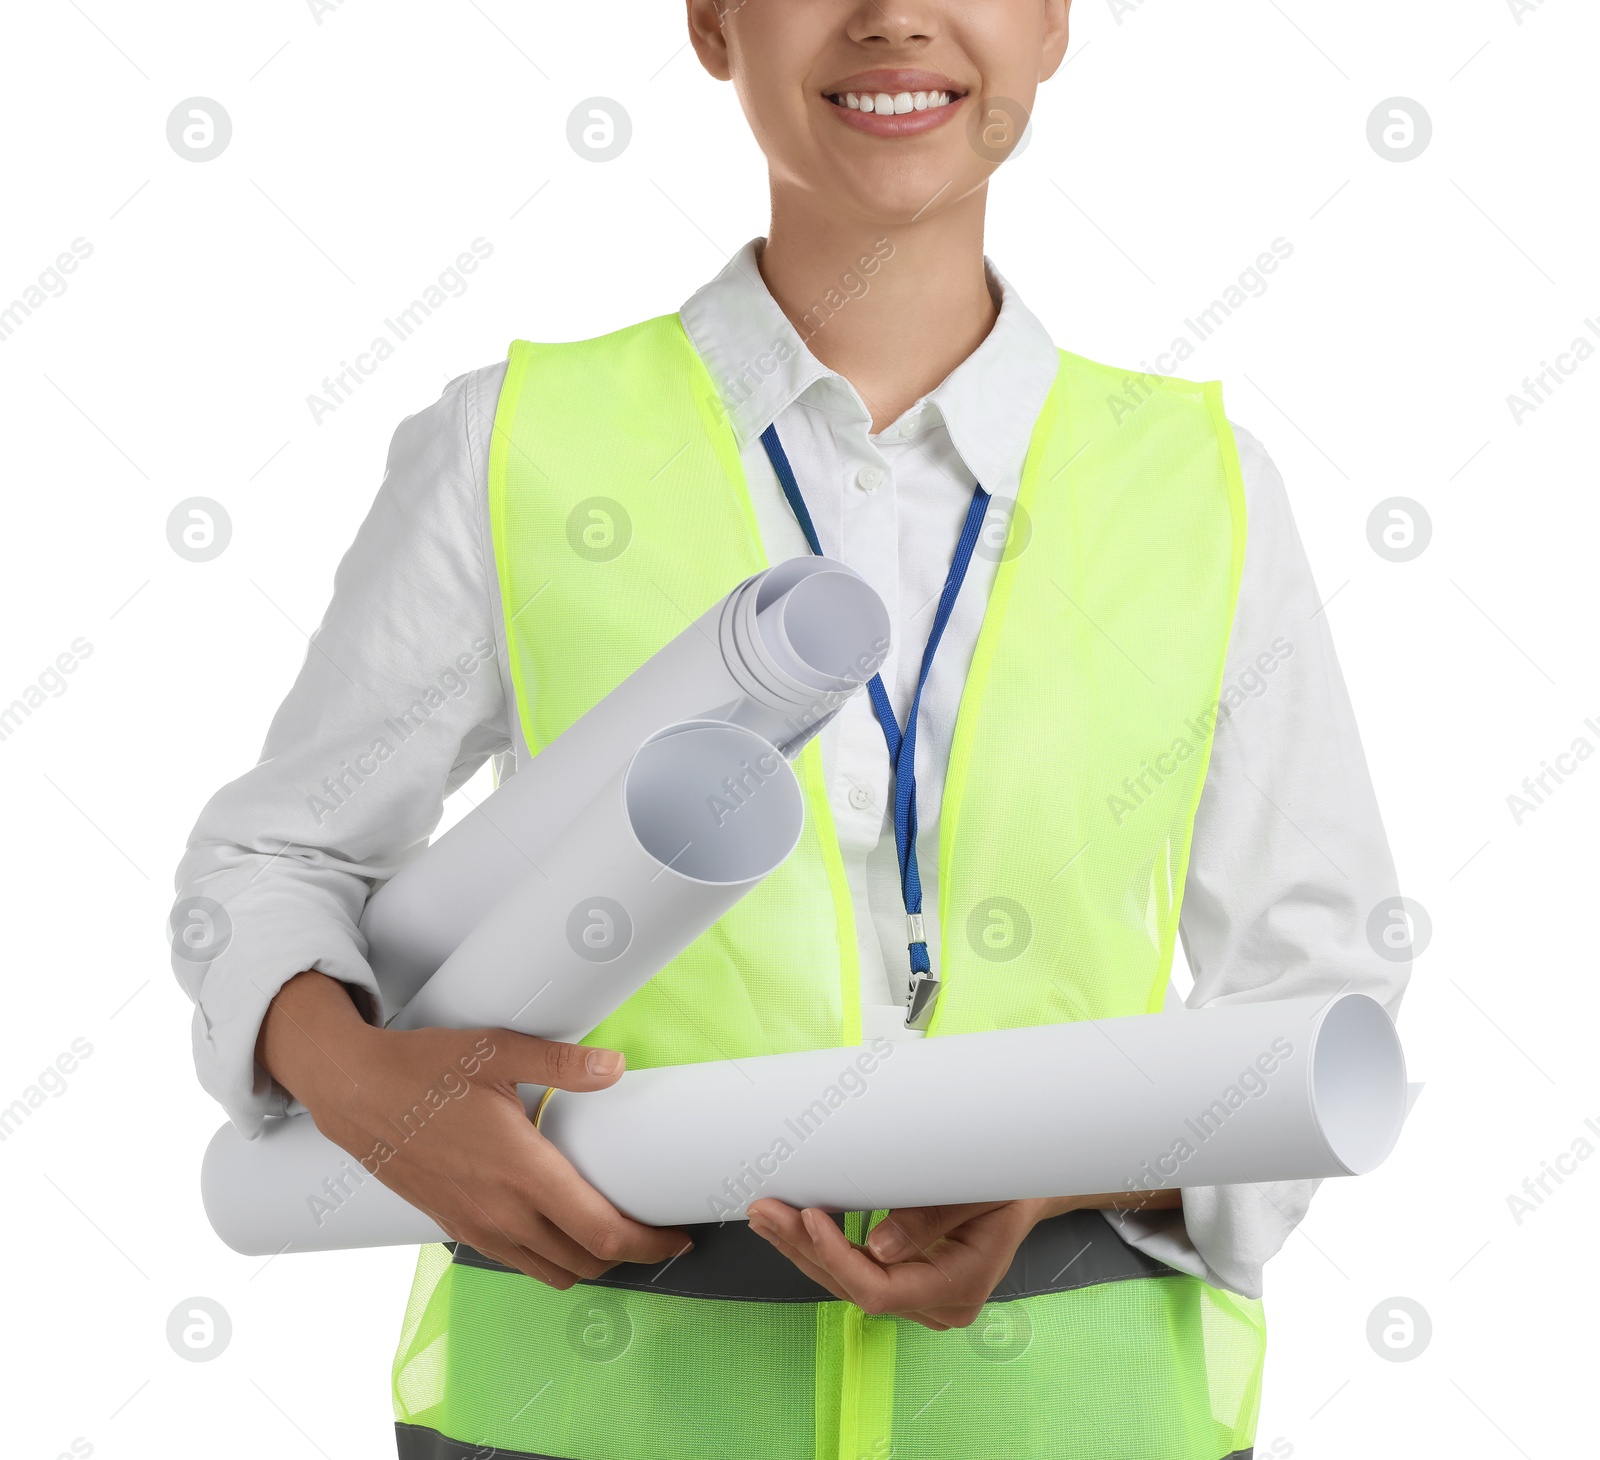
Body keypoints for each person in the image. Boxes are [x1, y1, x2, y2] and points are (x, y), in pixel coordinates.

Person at [173, 2, 1409, 1457]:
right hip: (591, 1415)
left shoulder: (1200, 487)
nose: (894, 14)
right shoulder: (515, 447)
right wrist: (355, 1075)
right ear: (713, 22)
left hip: (1072, 1419)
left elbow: (1320, 972)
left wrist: (1052, 1180)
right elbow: (270, 860)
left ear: (1057, 22)